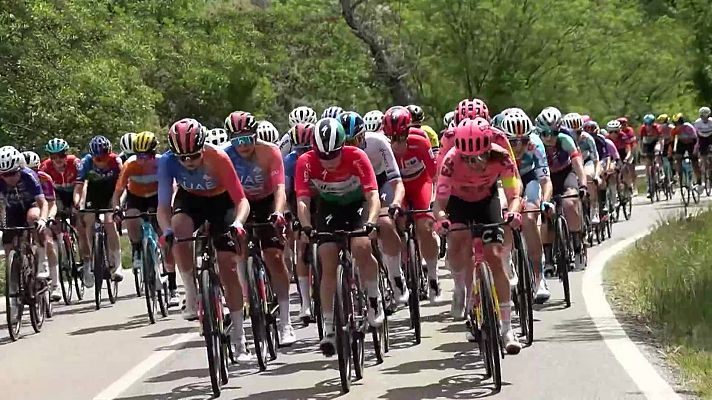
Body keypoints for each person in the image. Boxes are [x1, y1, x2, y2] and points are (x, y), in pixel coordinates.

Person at [158, 118, 252, 360]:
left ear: (203, 148)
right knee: (178, 229)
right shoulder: (167, 161)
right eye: (183, 158)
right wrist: (166, 231)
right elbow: (163, 206)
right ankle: (190, 291)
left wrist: (238, 224)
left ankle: (240, 339)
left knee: (228, 265)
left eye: (194, 156)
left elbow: (241, 200)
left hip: (222, 203)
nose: (189, 162)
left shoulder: (218, 157)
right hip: (191, 200)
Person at [433, 119, 523, 354]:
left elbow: (514, 192)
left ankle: (507, 327)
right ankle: (464, 289)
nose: (474, 163)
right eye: (468, 158)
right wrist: (441, 218)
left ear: (488, 149)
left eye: (480, 157)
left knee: (494, 254)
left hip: (487, 201)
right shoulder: (451, 160)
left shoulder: (502, 156)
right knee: (459, 241)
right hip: (459, 202)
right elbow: (440, 201)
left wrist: (513, 211)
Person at [295, 117, 382, 356]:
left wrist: (372, 222)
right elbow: (303, 201)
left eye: (334, 154)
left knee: (362, 246)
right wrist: (306, 226)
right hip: (330, 208)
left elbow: (373, 195)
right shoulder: (306, 162)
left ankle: (374, 298)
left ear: (343, 146)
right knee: (327, 257)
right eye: (323, 156)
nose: (329, 161)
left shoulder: (356, 156)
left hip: (357, 205)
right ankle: (330, 327)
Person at [222, 115, 297, 346]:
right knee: (237, 247)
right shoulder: (226, 155)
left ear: (255, 136)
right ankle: (245, 293)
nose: (242, 145)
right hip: (239, 202)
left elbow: (280, 188)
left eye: (246, 138)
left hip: (266, 201)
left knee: (274, 256)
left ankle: (285, 322)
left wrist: (278, 212)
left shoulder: (270, 152)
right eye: (237, 140)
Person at [339, 111, 408, 305]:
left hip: (381, 181)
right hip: (357, 188)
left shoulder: (378, 142)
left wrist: (395, 202)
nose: (353, 146)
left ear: (364, 135)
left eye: (357, 140)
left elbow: (397, 182)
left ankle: (396, 276)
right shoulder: (337, 152)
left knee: (385, 222)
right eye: (348, 142)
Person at [111, 131, 179, 306]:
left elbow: (172, 186)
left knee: (166, 239)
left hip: (158, 196)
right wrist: (117, 208)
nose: (142, 159)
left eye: (146, 155)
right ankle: (136, 248)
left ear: (153, 152)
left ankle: (172, 287)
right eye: (139, 155)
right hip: (137, 197)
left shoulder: (160, 162)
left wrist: (169, 205)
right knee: (131, 218)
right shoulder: (129, 164)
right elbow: (118, 192)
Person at [383, 106, 441, 302]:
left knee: (425, 227)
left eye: (401, 137)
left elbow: (434, 174)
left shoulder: (420, 141)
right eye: (392, 138)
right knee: (394, 224)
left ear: (409, 130)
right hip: (398, 188)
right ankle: (403, 267)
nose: (396, 143)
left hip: (420, 184)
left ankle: (432, 275)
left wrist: (436, 200)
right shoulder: (384, 146)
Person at [501, 111, 552, 303]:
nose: (520, 146)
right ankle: (507, 262)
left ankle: (539, 278)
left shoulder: (536, 144)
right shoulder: (498, 147)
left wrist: (545, 201)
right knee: (503, 215)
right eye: (514, 141)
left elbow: (545, 180)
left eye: (524, 140)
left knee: (530, 219)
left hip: (529, 178)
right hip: (506, 180)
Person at [535, 107, 588, 271]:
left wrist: (583, 184)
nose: (549, 138)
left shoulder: (565, 139)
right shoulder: (534, 143)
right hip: (545, 177)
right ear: (539, 132)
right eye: (545, 134)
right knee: (545, 215)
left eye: (554, 133)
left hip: (565, 174)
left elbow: (578, 165)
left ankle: (577, 246)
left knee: (570, 204)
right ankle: (549, 257)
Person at [0, 147, 50, 298]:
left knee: (34, 218)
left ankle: (42, 261)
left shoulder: (29, 176)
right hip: (13, 210)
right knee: (7, 242)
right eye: (5, 175)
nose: (9, 178)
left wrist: (42, 219)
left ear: (20, 168)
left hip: (31, 206)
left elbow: (43, 203)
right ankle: (14, 278)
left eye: (13, 173)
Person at [74, 136, 123, 285]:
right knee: (88, 221)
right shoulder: (86, 162)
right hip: (94, 194)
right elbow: (79, 186)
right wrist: (77, 203)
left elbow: (123, 184)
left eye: (104, 158)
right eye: (97, 159)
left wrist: (118, 205)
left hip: (111, 193)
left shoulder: (116, 161)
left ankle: (117, 263)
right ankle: (94, 258)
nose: (101, 162)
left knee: (109, 222)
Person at [41, 138, 90, 279]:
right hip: (58, 195)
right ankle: (62, 251)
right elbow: (46, 193)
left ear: (66, 154)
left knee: (80, 225)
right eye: (53, 157)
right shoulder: (45, 167)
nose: (58, 160)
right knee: (54, 223)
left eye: (61, 155)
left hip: (75, 191)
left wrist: (78, 205)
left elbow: (82, 185)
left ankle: (86, 262)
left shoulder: (75, 162)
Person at [283, 122, 316, 322]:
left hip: (321, 199)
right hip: (299, 201)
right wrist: (289, 215)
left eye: (307, 148)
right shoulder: (289, 161)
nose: (303, 153)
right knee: (302, 247)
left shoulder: (319, 157)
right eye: (299, 149)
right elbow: (286, 193)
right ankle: (305, 302)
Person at [22, 150, 61, 301]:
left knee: (48, 241)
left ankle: (55, 285)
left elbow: (51, 203)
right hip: (21, 208)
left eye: (35, 170)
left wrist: (49, 218)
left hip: (41, 208)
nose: (32, 174)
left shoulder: (44, 178)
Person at [564, 113, 602, 224]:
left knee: (587, 176)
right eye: (571, 133)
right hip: (571, 165)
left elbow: (596, 160)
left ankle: (594, 208)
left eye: (579, 132)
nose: (576, 136)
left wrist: (596, 175)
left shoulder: (588, 139)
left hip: (587, 162)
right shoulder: (563, 140)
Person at [670, 112, 701, 192]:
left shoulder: (689, 127)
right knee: (678, 159)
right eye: (675, 124)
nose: (677, 125)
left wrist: (695, 151)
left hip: (691, 143)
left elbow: (696, 140)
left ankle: (699, 181)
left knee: (695, 162)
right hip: (681, 144)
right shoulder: (674, 130)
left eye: (679, 123)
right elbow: (673, 142)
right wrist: (673, 152)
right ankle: (680, 179)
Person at [606, 119, 636, 196]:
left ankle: (629, 185)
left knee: (625, 169)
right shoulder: (606, 138)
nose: (613, 134)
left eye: (616, 132)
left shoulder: (623, 136)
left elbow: (628, 149)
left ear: (619, 130)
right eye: (610, 132)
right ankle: (614, 189)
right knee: (612, 171)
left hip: (622, 153)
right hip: (612, 154)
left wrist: (627, 158)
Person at [638, 114, 663, 197]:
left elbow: (660, 139)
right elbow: (641, 141)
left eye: (650, 124)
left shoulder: (657, 127)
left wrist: (660, 149)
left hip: (656, 142)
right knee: (648, 165)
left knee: (657, 151)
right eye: (646, 124)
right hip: (647, 144)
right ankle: (650, 186)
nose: (648, 126)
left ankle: (660, 169)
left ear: (653, 123)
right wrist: (641, 151)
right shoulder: (643, 129)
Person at [693, 107, 712, 188]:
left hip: (711, 137)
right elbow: (696, 135)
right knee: (703, 157)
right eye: (702, 116)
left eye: (706, 116)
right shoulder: (697, 123)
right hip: (702, 139)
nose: (704, 118)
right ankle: (704, 168)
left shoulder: (711, 121)